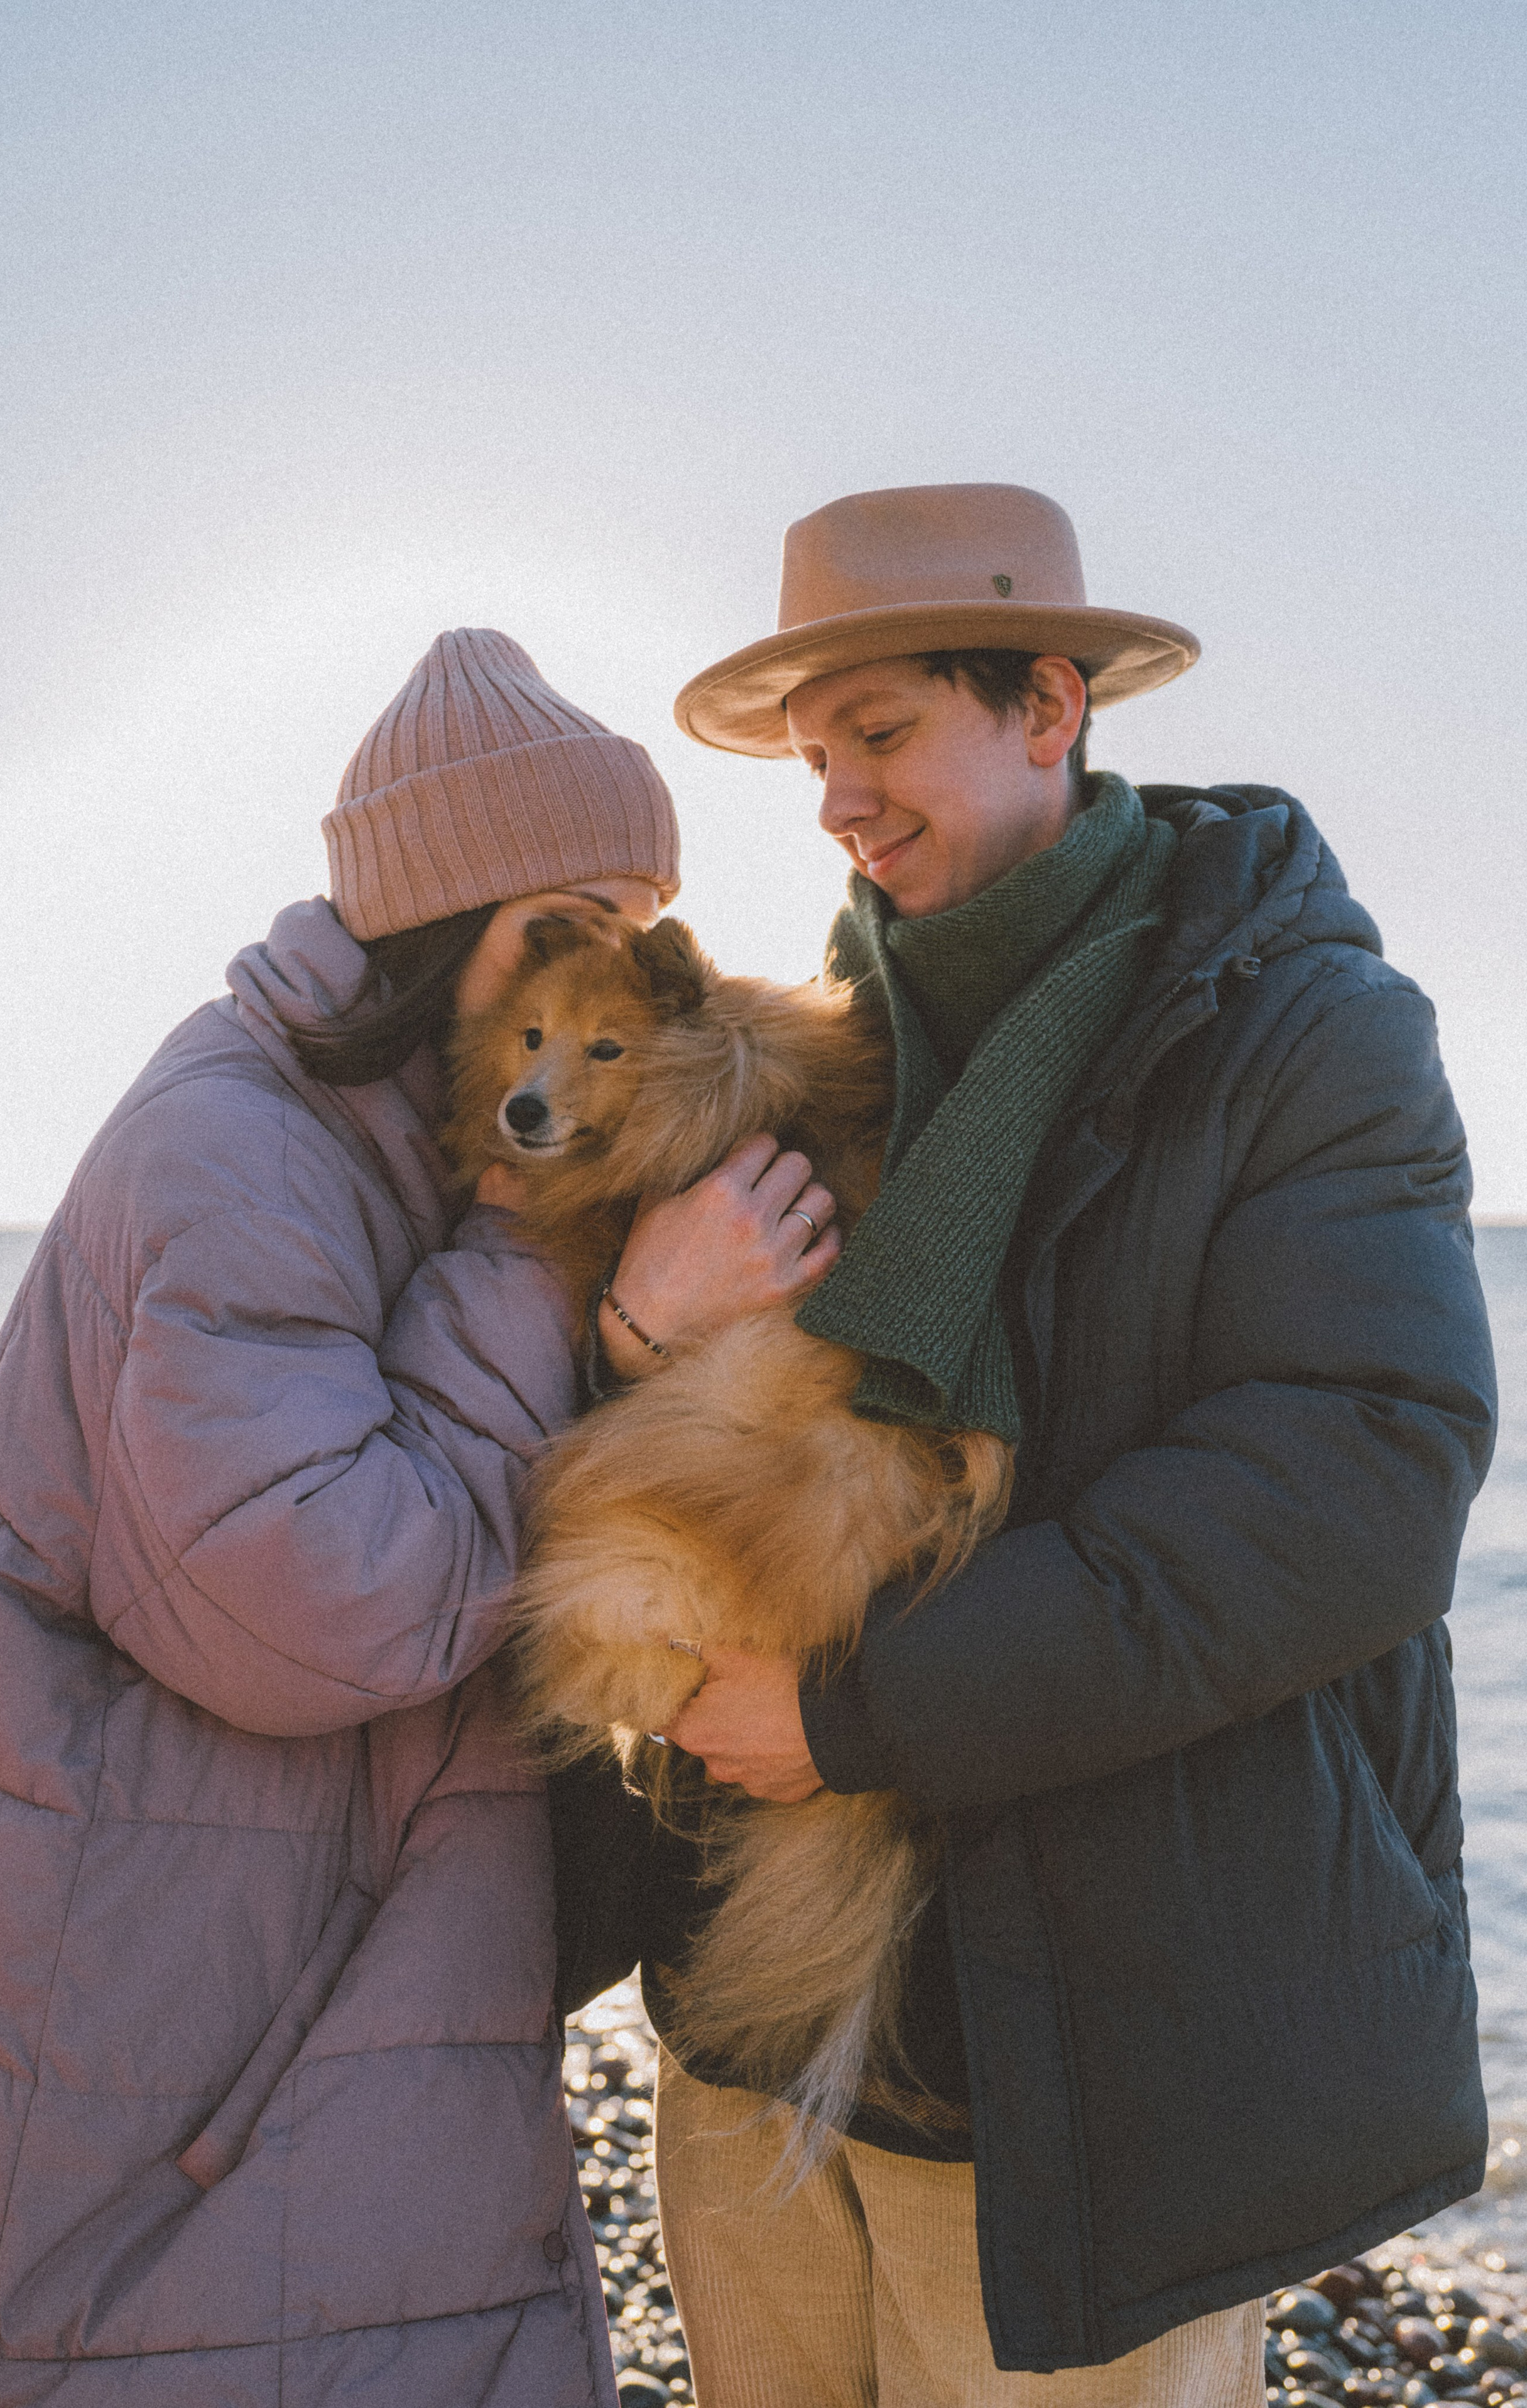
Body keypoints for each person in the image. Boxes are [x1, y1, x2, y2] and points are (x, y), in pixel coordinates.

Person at [611, 485, 1497, 2408]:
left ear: (1047, 705)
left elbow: (1356, 1484)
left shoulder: (1302, 1030)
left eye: (879, 732)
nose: (837, 800)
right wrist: (638, 1332)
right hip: (755, 2027)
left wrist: (854, 1710)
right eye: (811, 754)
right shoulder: (812, 1045)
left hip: (1093, 2076)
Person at [0, 627, 841, 2408]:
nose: (602, 971)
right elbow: (320, 1605)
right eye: (560, 919)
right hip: (177, 2039)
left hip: (301, 1985)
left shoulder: (410, 1138)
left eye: (635, 926)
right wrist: (605, 1313)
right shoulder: (237, 1152)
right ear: (436, 916)